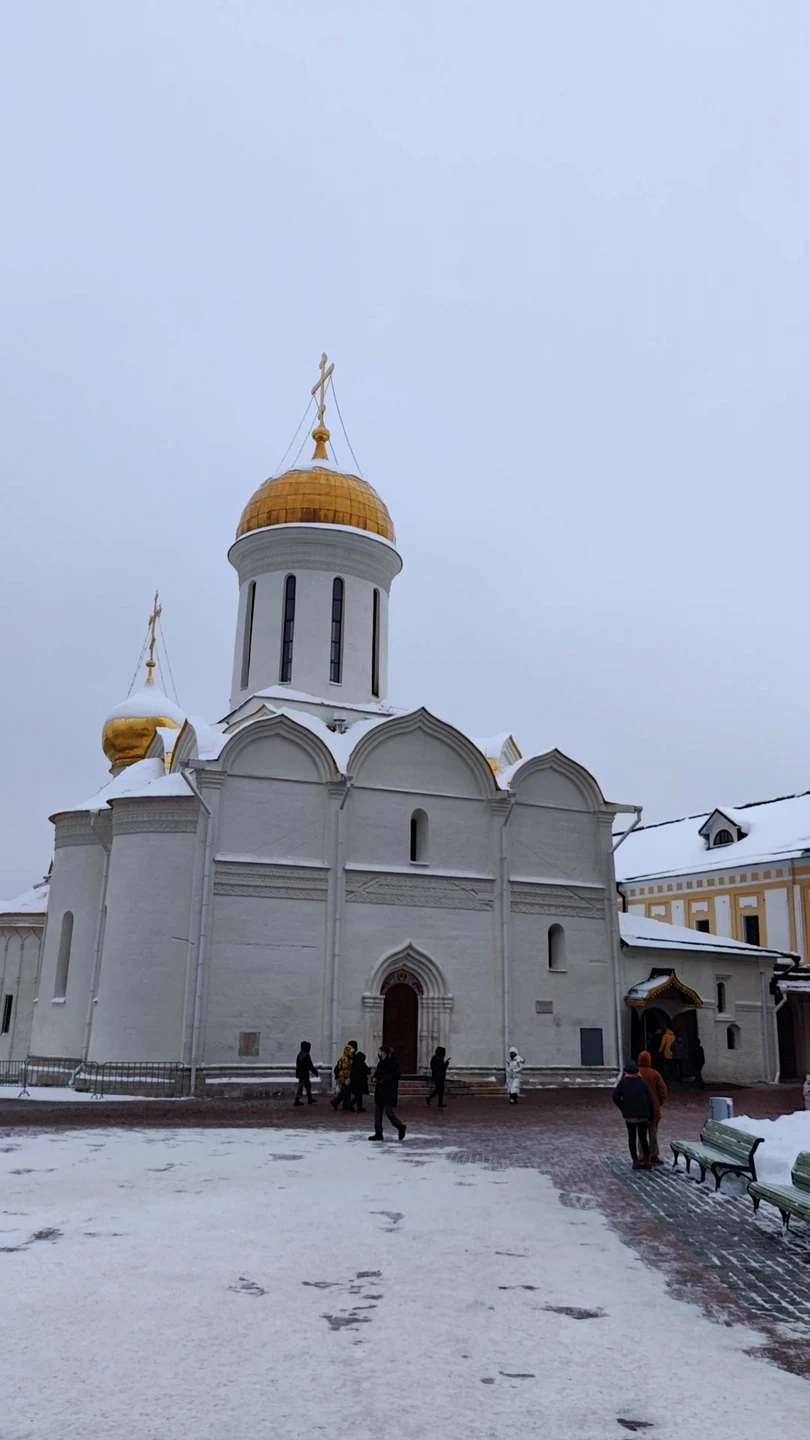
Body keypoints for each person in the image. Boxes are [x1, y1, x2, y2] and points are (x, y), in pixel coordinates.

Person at [613, 1059, 654, 1169]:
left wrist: (623, 1107)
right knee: (643, 1138)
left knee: (632, 1138)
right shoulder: (642, 1083)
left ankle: (635, 1161)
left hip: (629, 1116)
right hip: (642, 1116)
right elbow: (650, 1100)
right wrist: (651, 1115)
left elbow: (615, 1096)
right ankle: (647, 1160)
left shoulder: (623, 1083)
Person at [369, 1045, 406, 1141]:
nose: (378, 1054)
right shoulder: (381, 1063)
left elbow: (396, 1075)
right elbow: (377, 1072)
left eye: (379, 1052)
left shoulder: (393, 1063)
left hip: (389, 1091)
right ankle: (378, 1133)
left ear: (384, 1053)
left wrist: (384, 1080)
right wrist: (374, 1078)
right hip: (380, 1091)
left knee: (389, 1112)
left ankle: (400, 1127)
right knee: (378, 1112)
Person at [637, 1049, 667, 1164]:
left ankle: (642, 1155)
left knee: (641, 1133)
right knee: (653, 1132)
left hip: (639, 1108)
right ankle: (653, 1154)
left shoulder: (636, 1074)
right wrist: (658, 1103)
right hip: (653, 1108)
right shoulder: (655, 1074)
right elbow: (663, 1091)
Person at [331, 1040, 358, 1112]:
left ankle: (343, 1104)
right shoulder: (349, 1058)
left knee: (345, 1091)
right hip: (346, 1077)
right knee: (346, 1092)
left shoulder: (344, 1057)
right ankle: (340, 1103)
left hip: (342, 1077)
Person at [293, 1040, 318, 1107]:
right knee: (301, 1087)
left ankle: (309, 1098)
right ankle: (297, 1099)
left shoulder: (300, 1054)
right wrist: (315, 1072)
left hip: (301, 1074)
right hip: (304, 1074)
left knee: (308, 1085)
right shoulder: (306, 1055)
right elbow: (310, 1065)